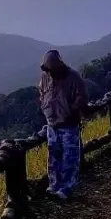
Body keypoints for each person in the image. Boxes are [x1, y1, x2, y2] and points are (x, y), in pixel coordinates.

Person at [37, 49, 90, 200]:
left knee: (70, 157)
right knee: (54, 155)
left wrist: (69, 110)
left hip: (69, 124)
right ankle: (54, 185)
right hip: (52, 124)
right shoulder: (45, 77)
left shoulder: (73, 77)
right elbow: (41, 92)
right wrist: (46, 108)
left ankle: (67, 187)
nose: (49, 72)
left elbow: (82, 98)